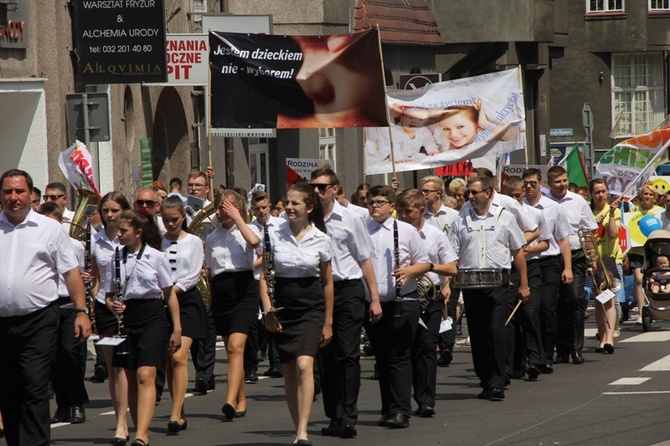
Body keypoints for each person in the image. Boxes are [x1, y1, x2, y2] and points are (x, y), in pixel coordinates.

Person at [0, 169, 91, 446]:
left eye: (19, 191)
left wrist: (81, 311)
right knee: (8, 389)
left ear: (31, 195)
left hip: (39, 320)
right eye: (7, 192)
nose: (14, 197)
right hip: (2, 324)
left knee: (35, 384)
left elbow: (71, 272)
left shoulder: (49, 228)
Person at [309, 167, 382, 438]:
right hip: (317, 292)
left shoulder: (351, 219)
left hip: (348, 290)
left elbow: (365, 259)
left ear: (336, 189)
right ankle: (333, 415)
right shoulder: (307, 219)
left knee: (347, 353)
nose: (317, 192)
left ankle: (348, 415)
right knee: (325, 355)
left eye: (322, 187)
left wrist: (374, 298)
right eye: (313, 187)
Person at [259, 182, 334, 445]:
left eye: (295, 203)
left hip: (311, 306)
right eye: (287, 202)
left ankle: (303, 430)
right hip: (282, 305)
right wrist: (268, 311)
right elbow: (265, 276)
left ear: (309, 207)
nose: (289, 207)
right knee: (289, 370)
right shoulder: (273, 234)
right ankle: (297, 427)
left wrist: (328, 322)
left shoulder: (322, 239)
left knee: (305, 365)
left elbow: (327, 282)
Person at [450, 176, 530, 401]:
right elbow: (451, 253)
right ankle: (485, 378)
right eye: (469, 193)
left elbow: (518, 252)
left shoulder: (505, 217)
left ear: (488, 193)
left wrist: (524, 284)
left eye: (474, 192)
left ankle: (497, 380)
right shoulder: (461, 218)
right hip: (471, 283)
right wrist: (448, 283)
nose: (470, 196)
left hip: (498, 284)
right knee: (477, 333)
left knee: (496, 330)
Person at [106, 209, 181, 446]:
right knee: (128, 374)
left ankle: (143, 434)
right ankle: (135, 426)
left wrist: (177, 328)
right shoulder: (115, 258)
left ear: (138, 233)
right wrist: (112, 305)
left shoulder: (156, 257)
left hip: (153, 316)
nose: (118, 234)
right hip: (127, 317)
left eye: (123, 230)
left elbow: (169, 295)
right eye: (118, 229)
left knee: (145, 373)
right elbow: (107, 295)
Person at [364, 184, 430, 428]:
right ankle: (388, 408)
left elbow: (424, 262)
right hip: (373, 302)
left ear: (392, 206)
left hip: (404, 300)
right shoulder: (362, 230)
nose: (374, 207)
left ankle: (401, 411)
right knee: (381, 358)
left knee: (398, 356)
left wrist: (409, 270)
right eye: (371, 202)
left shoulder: (406, 230)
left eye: (380, 202)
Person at [395, 189, 457, 417]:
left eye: (408, 212)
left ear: (421, 210)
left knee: (426, 348)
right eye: (400, 211)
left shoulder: (435, 235)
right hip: (403, 297)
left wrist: (429, 266)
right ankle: (401, 400)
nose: (403, 216)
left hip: (429, 297)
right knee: (403, 351)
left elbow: (452, 268)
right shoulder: (394, 232)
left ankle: (426, 399)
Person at [204, 190, 261, 421]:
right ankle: (241, 398)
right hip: (221, 291)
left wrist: (238, 218)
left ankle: (228, 399)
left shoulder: (249, 230)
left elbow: (255, 243)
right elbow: (210, 267)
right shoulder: (212, 237)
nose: (219, 213)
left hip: (244, 289)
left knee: (237, 347)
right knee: (231, 350)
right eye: (218, 208)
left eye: (224, 209)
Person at [85, 191, 132, 445]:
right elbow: (94, 276)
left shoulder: (134, 237)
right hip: (106, 306)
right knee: (115, 367)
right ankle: (121, 423)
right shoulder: (96, 239)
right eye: (106, 211)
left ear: (123, 210)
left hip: (131, 306)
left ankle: (136, 411)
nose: (110, 215)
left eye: (114, 210)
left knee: (132, 366)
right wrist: (99, 297)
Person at [37, 202, 89, 425]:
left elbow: (77, 274)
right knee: (53, 358)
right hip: (48, 304)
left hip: (68, 304)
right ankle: (63, 404)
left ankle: (77, 403)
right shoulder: (37, 242)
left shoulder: (74, 244)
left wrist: (82, 309)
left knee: (70, 353)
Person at [161, 196, 207, 434]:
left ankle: (175, 413)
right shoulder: (157, 242)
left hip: (186, 300)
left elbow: (193, 274)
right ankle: (180, 410)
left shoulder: (194, 241)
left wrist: (173, 290)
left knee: (179, 356)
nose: (171, 224)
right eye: (166, 220)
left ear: (183, 217)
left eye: (175, 219)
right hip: (161, 302)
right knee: (170, 359)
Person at [521, 168, 573, 373]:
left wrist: (567, 267)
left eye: (533, 183)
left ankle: (547, 354)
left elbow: (563, 238)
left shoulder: (553, 207)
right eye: (525, 184)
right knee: (530, 310)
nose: (529, 187)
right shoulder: (519, 207)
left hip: (550, 261)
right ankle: (534, 354)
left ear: (540, 184)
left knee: (547, 308)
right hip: (527, 262)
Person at [546, 166, 597, 365]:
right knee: (556, 303)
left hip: (576, 255)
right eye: (558, 182)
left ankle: (576, 347)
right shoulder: (544, 202)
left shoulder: (578, 201)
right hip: (551, 256)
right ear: (550, 184)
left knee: (574, 299)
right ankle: (561, 349)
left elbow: (588, 230)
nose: (563, 185)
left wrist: (593, 258)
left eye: (565, 181)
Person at [501, 176, 550, 380]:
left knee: (530, 313)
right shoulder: (501, 213)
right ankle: (515, 362)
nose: (514, 199)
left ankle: (535, 359)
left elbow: (544, 240)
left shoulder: (535, 213)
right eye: (509, 195)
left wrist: (525, 245)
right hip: (509, 267)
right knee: (512, 319)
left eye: (517, 195)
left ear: (523, 193)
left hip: (531, 266)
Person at [186, 169, 218, 395]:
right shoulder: (182, 210)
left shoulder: (214, 212)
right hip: (188, 275)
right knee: (193, 328)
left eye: (198, 185)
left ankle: (205, 374)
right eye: (191, 185)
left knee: (208, 325)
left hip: (209, 272)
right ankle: (201, 370)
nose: (194, 189)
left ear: (207, 188)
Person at [249, 191, 284, 379]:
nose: (261, 211)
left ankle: (276, 362)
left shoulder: (280, 225)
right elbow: (253, 258)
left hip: (275, 276)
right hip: (256, 278)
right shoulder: (250, 228)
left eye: (264, 207)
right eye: (257, 209)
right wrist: (262, 261)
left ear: (269, 205)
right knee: (256, 323)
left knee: (273, 316)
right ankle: (252, 365)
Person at [589, 179, 622, 354]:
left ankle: (609, 338)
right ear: (592, 194)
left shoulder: (613, 211)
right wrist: (594, 221)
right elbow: (586, 236)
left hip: (610, 259)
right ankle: (602, 337)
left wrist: (609, 214)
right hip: (594, 259)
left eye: (603, 191)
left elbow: (613, 234)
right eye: (597, 192)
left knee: (609, 299)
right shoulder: (587, 211)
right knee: (598, 300)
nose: (600, 195)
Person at [627, 182, 663, 325]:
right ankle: (641, 313)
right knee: (639, 280)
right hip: (636, 250)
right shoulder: (633, 210)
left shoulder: (659, 211)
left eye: (650, 194)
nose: (647, 196)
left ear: (654, 196)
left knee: (653, 280)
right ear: (640, 195)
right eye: (645, 194)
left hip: (654, 250)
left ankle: (652, 310)